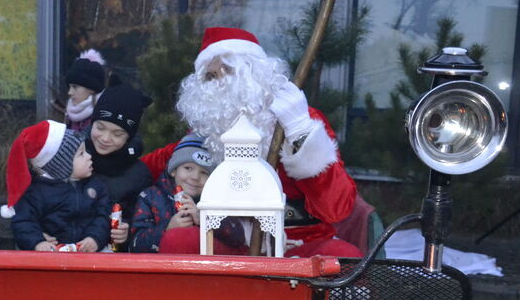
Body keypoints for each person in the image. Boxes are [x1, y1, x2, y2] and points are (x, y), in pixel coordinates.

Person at [146, 27, 360, 258]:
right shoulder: (207, 130)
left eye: (228, 70)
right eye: (210, 76)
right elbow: (148, 167)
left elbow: (337, 208)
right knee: (180, 240)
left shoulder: (299, 118)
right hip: (228, 243)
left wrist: (301, 134)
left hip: (297, 244)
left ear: (254, 71)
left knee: (341, 256)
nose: (220, 84)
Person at [2, 120, 110, 252]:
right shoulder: (36, 192)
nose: (89, 156)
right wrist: (38, 241)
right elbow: (24, 222)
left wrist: (95, 238)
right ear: (62, 166)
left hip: (89, 253)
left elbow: (102, 217)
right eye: (81, 154)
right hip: (52, 255)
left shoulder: (96, 186)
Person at [130, 134, 244, 254]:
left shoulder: (215, 202)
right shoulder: (151, 197)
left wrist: (204, 220)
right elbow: (135, 244)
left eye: (204, 173)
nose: (195, 177)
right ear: (173, 170)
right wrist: (167, 229)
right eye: (188, 168)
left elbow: (238, 238)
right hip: (163, 268)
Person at [85, 84, 154, 249]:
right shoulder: (71, 156)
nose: (105, 138)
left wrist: (127, 231)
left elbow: (144, 220)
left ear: (129, 138)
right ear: (92, 123)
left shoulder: (138, 175)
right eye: (100, 128)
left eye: (117, 134)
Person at [63, 49, 106, 132]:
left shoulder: (104, 117)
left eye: (75, 87)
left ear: (92, 89)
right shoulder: (69, 114)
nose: (69, 92)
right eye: (69, 87)